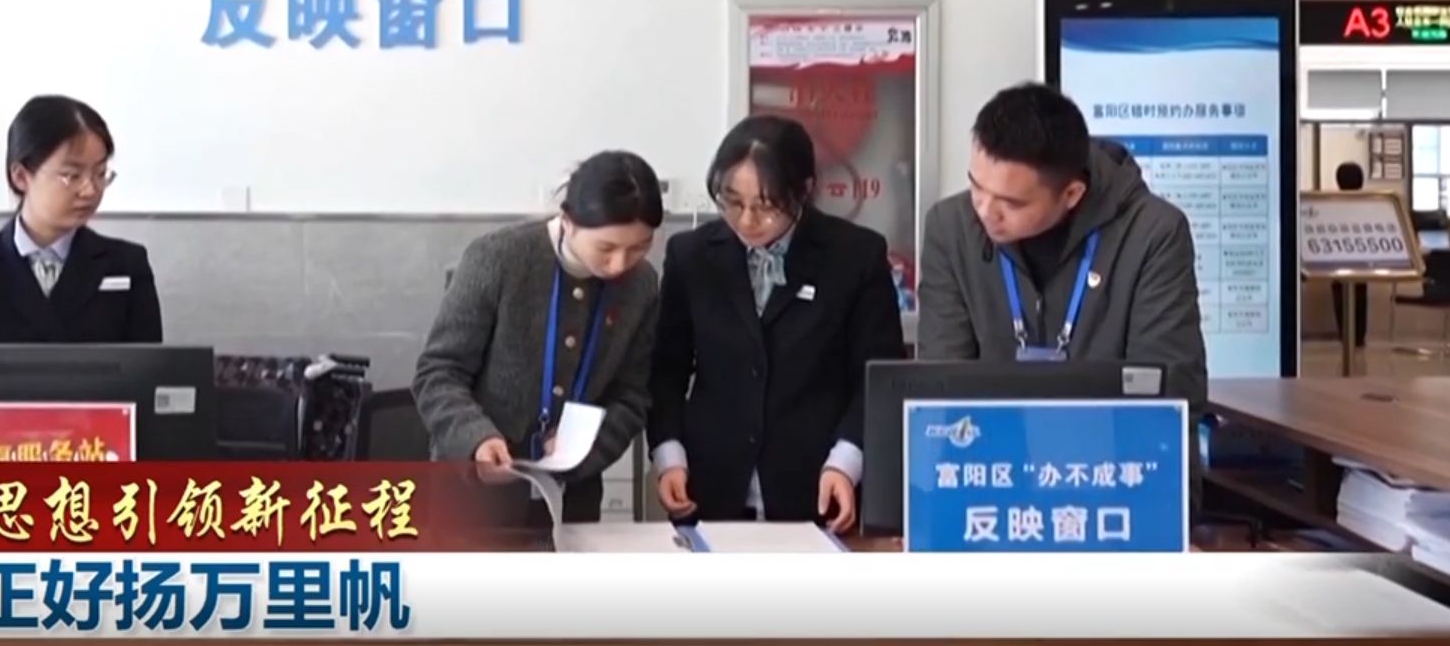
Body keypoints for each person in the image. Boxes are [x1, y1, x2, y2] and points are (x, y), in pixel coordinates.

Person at [647, 116, 905, 531]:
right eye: (732, 201)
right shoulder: (691, 256)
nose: (746, 220)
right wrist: (669, 455)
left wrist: (846, 462)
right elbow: (666, 370)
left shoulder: (854, 256)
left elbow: (877, 377)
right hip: (710, 483)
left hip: (819, 482)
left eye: (765, 206)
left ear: (803, 190)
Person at [411, 151, 665, 524]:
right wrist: (476, 438)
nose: (620, 264)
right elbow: (438, 373)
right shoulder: (498, 258)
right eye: (606, 248)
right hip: (473, 497)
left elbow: (632, 394)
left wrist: (591, 446)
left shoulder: (642, 284)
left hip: (572, 499)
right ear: (569, 222)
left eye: (639, 247)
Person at [917, 83, 1207, 408]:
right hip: (984, 436)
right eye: (977, 187)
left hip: (1112, 437)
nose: (985, 211)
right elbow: (939, 390)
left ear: (1071, 194)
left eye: (1010, 203)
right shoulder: (951, 228)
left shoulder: (1152, 234)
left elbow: (1168, 396)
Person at [0, 95, 163, 344]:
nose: (90, 190)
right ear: (20, 176)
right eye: (72, 175)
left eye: (100, 174)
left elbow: (147, 364)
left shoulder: (126, 263)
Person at [1329, 162, 1370, 349]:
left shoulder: (1331, 203)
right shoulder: (1369, 203)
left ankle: (1345, 335)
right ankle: (1358, 337)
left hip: (1337, 258)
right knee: (1360, 295)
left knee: (1340, 296)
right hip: (1361, 259)